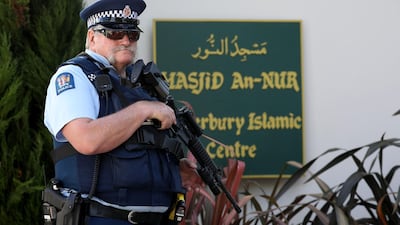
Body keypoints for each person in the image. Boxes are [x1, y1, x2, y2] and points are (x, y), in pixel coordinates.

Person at [44, 0, 200, 224]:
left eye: (132, 34)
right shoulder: (75, 77)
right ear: (92, 37)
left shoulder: (138, 86)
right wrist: (142, 109)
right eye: (114, 33)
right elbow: (86, 139)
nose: (126, 40)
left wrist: (171, 169)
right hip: (99, 218)